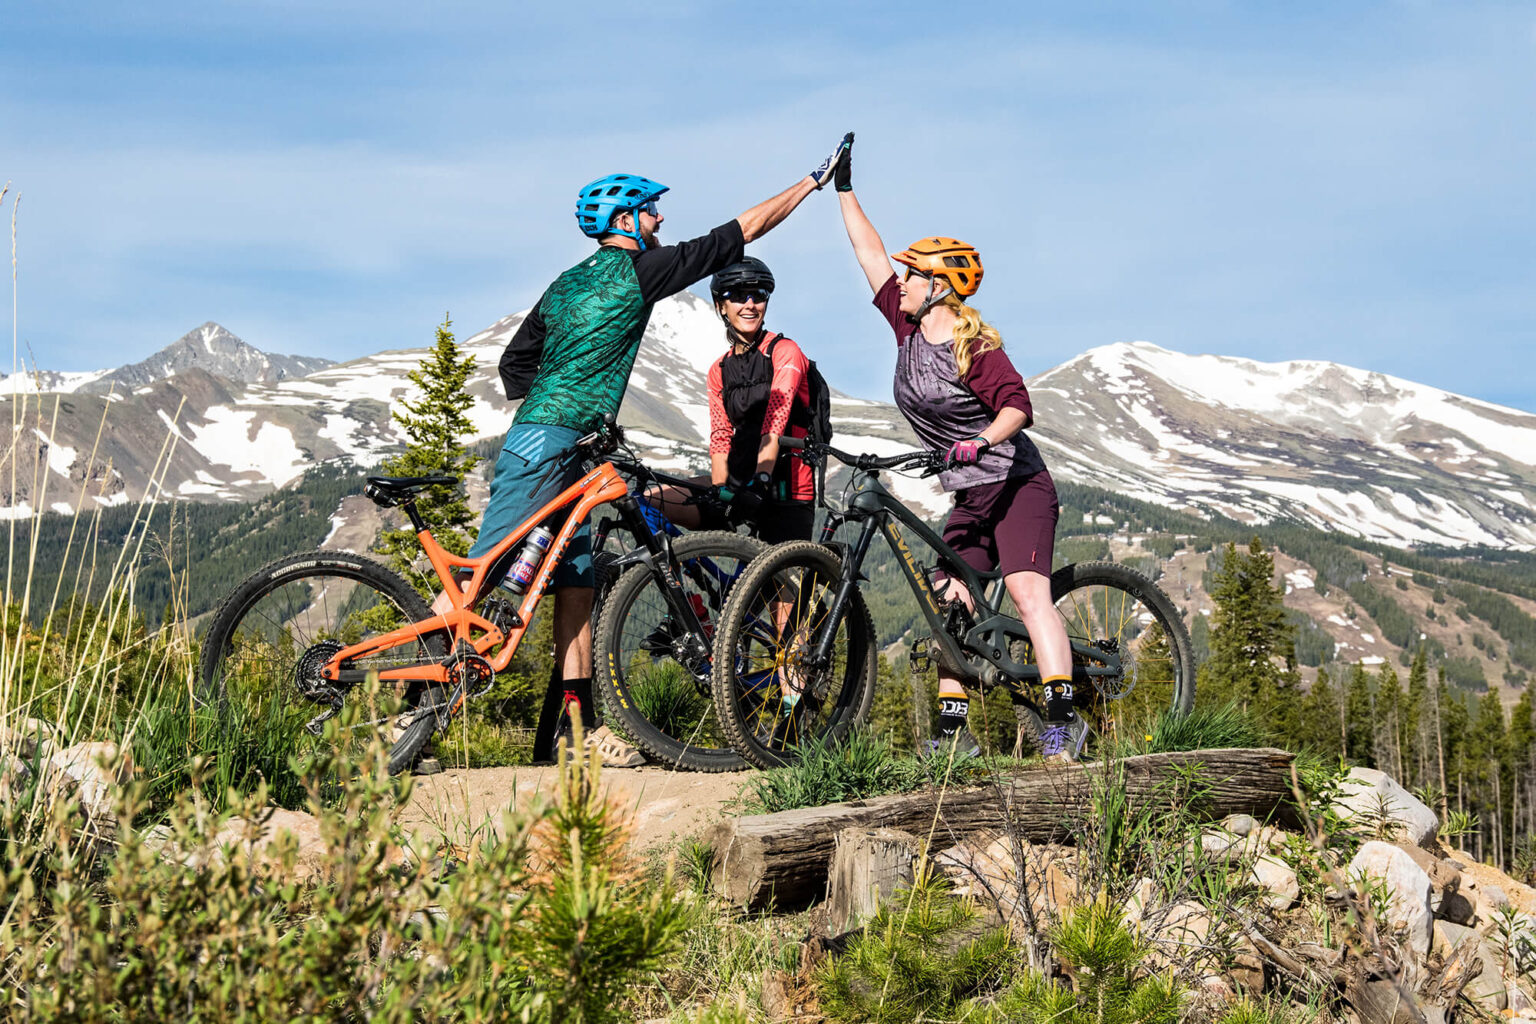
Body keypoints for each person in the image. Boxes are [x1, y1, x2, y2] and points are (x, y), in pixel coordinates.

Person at [444, 137, 852, 766]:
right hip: (549, 443)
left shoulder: (563, 285)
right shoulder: (638, 270)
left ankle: (575, 732)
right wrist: (811, 182)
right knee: (481, 573)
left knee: (576, 585)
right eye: (651, 211)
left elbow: (515, 365)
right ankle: (409, 715)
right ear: (627, 221)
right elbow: (739, 233)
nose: (661, 220)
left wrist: (565, 397)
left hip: (568, 448)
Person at [831, 138, 1083, 761]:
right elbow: (869, 254)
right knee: (951, 601)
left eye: (912, 276)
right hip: (970, 494)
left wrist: (979, 441)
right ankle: (952, 734)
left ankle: (1063, 722)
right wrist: (844, 189)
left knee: (1026, 593)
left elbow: (1018, 407)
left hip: (1017, 486)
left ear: (939, 287)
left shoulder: (977, 350)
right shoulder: (906, 327)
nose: (901, 283)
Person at [647, 256, 817, 544]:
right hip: (738, 482)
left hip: (784, 489)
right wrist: (719, 489)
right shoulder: (720, 370)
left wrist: (761, 480)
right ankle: (675, 571)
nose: (750, 304)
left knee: (776, 575)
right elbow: (721, 435)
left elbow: (775, 422)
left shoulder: (784, 351)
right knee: (647, 501)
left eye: (758, 295)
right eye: (738, 296)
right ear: (720, 306)